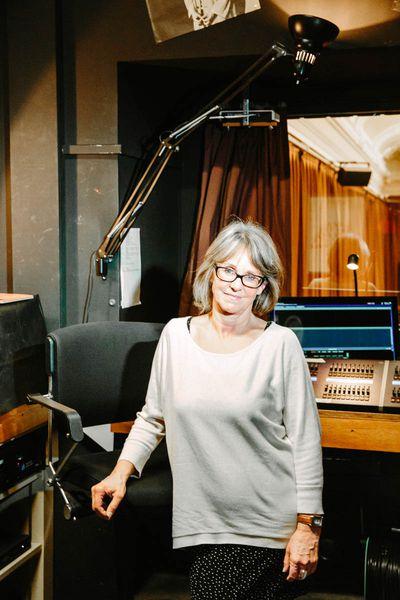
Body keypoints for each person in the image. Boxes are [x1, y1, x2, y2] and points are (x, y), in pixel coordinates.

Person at [92, 218, 324, 600]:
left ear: (263, 287)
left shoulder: (280, 345)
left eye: (251, 276)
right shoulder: (175, 336)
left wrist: (308, 527)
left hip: (268, 527)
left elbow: (305, 441)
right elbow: (153, 417)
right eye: (229, 269)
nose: (236, 283)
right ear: (212, 272)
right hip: (202, 523)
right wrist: (120, 473)